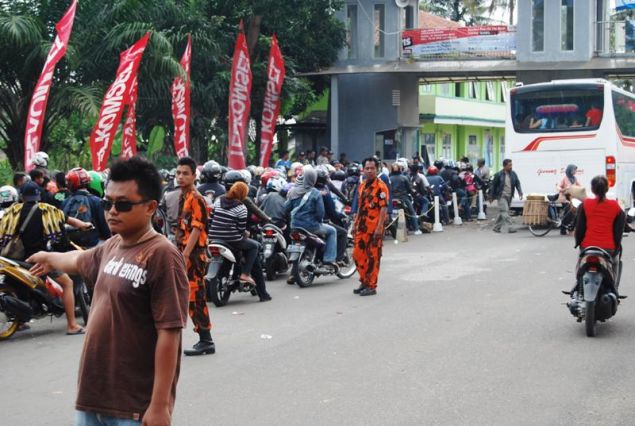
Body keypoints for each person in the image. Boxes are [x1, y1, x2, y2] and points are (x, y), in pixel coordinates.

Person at [27, 156, 189, 425]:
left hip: (133, 406)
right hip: (94, 397)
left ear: (150, 207)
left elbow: (169, 333)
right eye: (107, 203)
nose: (112, 211)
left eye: (123, 204)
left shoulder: (161, 255)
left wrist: (160, 405)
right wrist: (48, 257)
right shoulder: (113, 246)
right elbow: (78, 260)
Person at [0, 181, 92, 335]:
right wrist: (84, 225)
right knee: (68, 283)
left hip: (16, 259)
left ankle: (20, 322)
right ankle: (72, 325)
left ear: (21, 196)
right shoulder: (47, 210)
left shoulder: (12, 212)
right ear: (38, 195)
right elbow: (70, 220)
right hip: (40, 259)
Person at [174, 157, 215, 356]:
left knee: (196, 296)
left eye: (185, 173)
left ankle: (206, 340)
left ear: (193, 176)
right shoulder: (183, 196)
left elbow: (198, 228)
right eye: (178, 173)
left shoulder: (197, 198)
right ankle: (203, 338)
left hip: (194, 255)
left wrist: (186, 254)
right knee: (190, 296)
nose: (181, 177)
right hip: (185, 253)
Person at [210, 181, 271, 301]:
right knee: (255, 246)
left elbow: (211, 218)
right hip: (232, 239)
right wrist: (246, 233)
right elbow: (241, 229)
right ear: (243, 194)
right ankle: (245, 274)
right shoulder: (242, 207)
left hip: (213, 237)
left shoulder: (218, 201)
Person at [285, 166, 338, 268]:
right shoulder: (316, 193)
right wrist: (319, 222)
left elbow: (286, 208)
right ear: (313, 179)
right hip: (311, 226)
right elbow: (320, 213)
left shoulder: (293, 191)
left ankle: (293, 273)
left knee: (296, 243)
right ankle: (329, 259)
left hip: (295, 226)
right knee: (332, 231)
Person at [351, 157, 389, 296]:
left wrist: (379, 228)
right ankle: (364, 281)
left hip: (374, 229)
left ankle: (371, 286)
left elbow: (384, 209)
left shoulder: (381, 187)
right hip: (361, 227)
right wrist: (355, 224)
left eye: (372, 168)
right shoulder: (362, 186)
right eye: (367, 168)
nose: (369, 170)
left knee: (373, 258)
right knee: (357, 255)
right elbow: (360, 207)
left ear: (377, 169)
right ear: (363, 169)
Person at [574, 175, 625, 270]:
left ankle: (579, 282)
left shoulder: (585, 204)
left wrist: (577, 243)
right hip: (608, 248)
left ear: (592, 189)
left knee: (580, 265)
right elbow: (619, 229)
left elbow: (579, 228)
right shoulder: (615, 206)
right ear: (607, 189)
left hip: (587, 247)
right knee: (615, 262)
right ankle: (613, 284)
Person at [64, 168, 111, 248]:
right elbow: (106, 229)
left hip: (69, 245)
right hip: (93, 245)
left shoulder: (65, 202)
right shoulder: (97, 201)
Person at [489, 159, 523, 233]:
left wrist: (520, 192)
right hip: (501, 196)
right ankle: (510, 227)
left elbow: (517, 183)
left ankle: (496, 227)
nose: (511, 167)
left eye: (511, 165)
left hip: (509, 196)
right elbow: (493, 186)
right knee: (505, 211)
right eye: (509, 165)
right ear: (504, 166)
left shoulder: (513, 174)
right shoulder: (498, 174)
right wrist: (491, 196)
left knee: (502, 212)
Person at [389, 163, 420, 234]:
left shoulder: (389, 178)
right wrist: (413, 192)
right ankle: (416, 229)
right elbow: (409, 189)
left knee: (389, 213)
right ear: (400, 169)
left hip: (392, 199)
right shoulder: (404, 178)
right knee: (412, 212)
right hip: (403, 198)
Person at [557, 164, 581, 235]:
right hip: (565, 198)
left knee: (572, 214)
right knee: (568, 214)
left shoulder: (574, 178)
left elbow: (579, 185)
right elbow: (558, 186)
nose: (575, 171)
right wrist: (563, 189)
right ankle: (563, 229)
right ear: (569, 170)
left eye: (575, 170)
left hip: (571, 199)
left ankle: (569, 228)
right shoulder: (565, 178)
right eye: (574, 170)